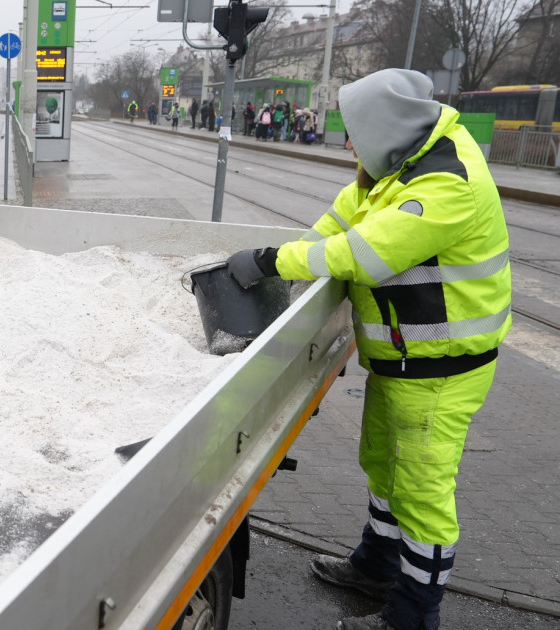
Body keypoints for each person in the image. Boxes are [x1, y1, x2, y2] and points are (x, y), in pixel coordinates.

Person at [224, 69, 512, 630]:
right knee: (383, 465)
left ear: (385, 127)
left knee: (423, 493)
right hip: (401, 362)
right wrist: (285, 266)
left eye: (356, 133)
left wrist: (269, 262)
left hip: (442, 370)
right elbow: (332, 229)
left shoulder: (448, 182)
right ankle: (375, 566)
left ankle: (412, 616)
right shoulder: (392, 167)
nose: (350, 145)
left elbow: (363, 253)